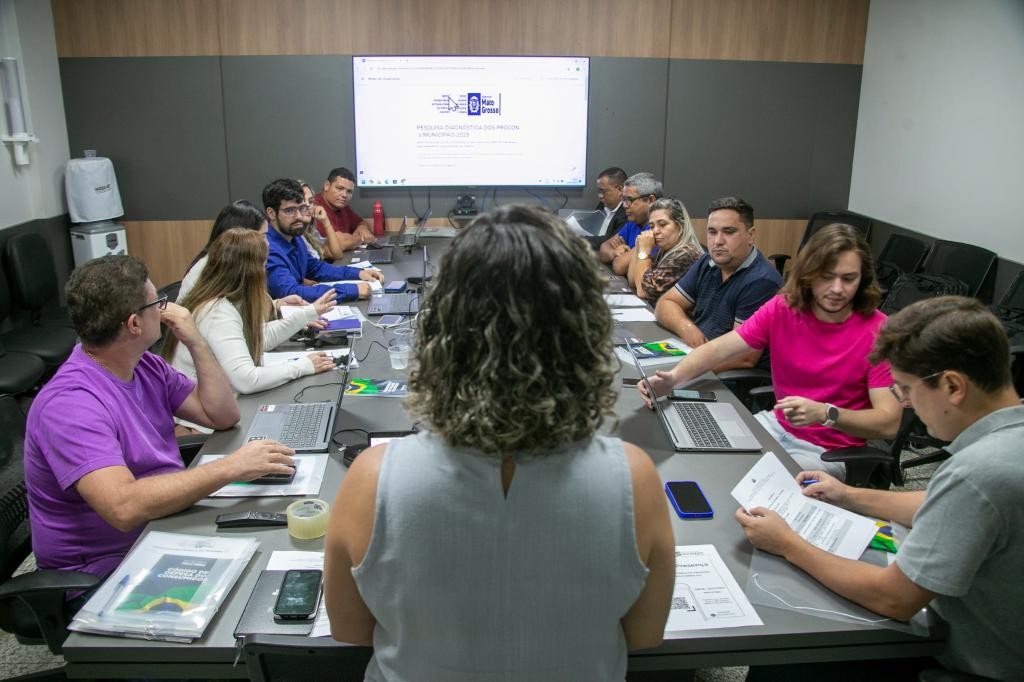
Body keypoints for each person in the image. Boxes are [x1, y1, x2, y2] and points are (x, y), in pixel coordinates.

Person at [324, 205, 675, 681]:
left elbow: (350, 631)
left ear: (441, 333)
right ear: (586, 334)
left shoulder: (371, 478)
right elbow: (645, 636)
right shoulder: (635, 480)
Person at [736, 296, 1024, 681]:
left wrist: (787, 543)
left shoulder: (975, 474)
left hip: (960, 659)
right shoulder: (1008, 440)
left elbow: (894, 598)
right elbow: (937, 503)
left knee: (786, 651)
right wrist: (849, 495)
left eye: (905, 389)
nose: (905, 404)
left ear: (953, 386)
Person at [23, 255, 297, 581]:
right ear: (134, 324)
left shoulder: (143, 364)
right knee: (264, 580)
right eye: (158, 303)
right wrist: (231, 467)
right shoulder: (70, 406)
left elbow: (221, 415)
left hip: (163, 527)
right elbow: (124, 508)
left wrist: (195, 340)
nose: (167, 310)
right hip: (107, 571)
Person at [641, 224, 901, 478]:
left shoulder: (879, 331)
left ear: (863, 279)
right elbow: (719, 349)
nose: (837, 289)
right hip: (776, 425)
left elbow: (888, 422)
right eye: (826, 276)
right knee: (704, 461)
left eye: (848, 279)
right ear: (809, 274)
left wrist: (826, 413)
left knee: (761, 488)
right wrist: (673, 379)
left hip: (825, 450)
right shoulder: (783, 308)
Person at [164, 228, 338, 414]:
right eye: (263, 266)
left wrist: (307, 313)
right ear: (250, 272)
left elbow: (256, 338)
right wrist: (301, 367)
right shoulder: (216, 312)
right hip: (207, 418)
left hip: (220, 405)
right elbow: (246, 380)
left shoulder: (225, 300)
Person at [654, 197, 782, 371]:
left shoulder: (761, 281)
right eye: (712, 232)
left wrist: (681, 369)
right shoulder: (707, 262)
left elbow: (742, 356)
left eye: (729, 232)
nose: (718, 241)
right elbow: (665, 303)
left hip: (725, 377)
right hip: (695, 357)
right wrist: (688, 329)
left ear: (750, 235)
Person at [263, 177, 383, 302]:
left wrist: (359, 273)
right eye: (289, 211)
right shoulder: (268, 248)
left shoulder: (294, 237)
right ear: (271, 213)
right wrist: (351, 290)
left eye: (302, 208)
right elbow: (291, 293)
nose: (299, 216)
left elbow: (316, 268)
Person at [179, 199, 266, 302]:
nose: (267, 243)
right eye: (262, 237)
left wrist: (276, 303)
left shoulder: (231, 264)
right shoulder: (214, 271)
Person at [626, 196, 703, 301]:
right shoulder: (664, 249)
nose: (655, 231)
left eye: (662, 224)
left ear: (680, 226)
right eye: (652, 226)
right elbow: (632, 282)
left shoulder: (685, 254)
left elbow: (643, 291)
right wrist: (638, 246)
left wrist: (644, 252)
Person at [598, 171, 663, 275]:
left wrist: (621, 257)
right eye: (623, 200)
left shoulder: (658, 231)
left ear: (650, 200)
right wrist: (614, 252)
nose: (624, 205)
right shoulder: (633, 223)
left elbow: (619, 266)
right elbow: (604, 248)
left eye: (629, 200)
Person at [312, 166, 376, 250]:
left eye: (349, 191)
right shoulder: (315, 207)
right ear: (327, 186)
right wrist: (362, 238)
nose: (344, 195)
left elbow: (361, 222)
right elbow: (340, 243)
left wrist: (362, 228)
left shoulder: (343, 207)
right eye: (339, 188)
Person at [300, 180, 344, 260]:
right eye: (302, 201)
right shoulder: (295, 234)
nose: (308, 205)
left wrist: (326, 221)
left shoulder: (310, 230)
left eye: (310, 201)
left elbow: (337, 254)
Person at [594, 166, 628, 240]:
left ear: (620, 190)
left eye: (603, 191)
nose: (600, 196)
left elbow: (611, 241)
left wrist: (580, 240)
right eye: (599, 191)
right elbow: (590, 222)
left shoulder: (627, 213)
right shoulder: (602, 204)